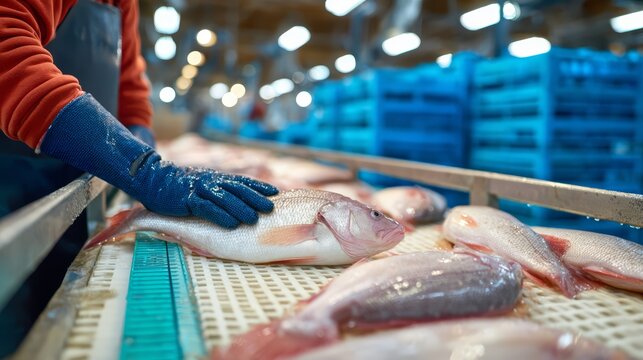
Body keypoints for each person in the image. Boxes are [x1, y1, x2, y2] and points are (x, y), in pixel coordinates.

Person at [0, 0, 277, 354]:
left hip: (74, 189)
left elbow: (129, 89)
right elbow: (7, 53)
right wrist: (143, 171)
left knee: (58, 324)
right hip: (8, 188)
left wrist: (139, 145)